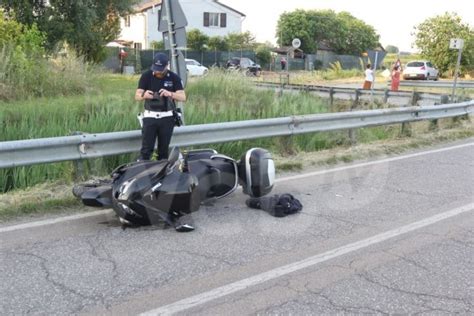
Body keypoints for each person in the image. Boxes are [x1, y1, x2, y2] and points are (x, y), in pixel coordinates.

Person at [135, 52, 186, 161]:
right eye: (156, 68)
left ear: (167, 66)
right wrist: (144, 95)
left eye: (160, 69)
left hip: (167, 117)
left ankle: (161, 174)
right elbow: (137, 95)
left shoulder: (174, 77)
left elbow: (183, 97)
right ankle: (144, 172)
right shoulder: (146, 76)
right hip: (150, 116)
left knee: (163, 151)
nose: (157, 71)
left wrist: (170, 94)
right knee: (146, 150)